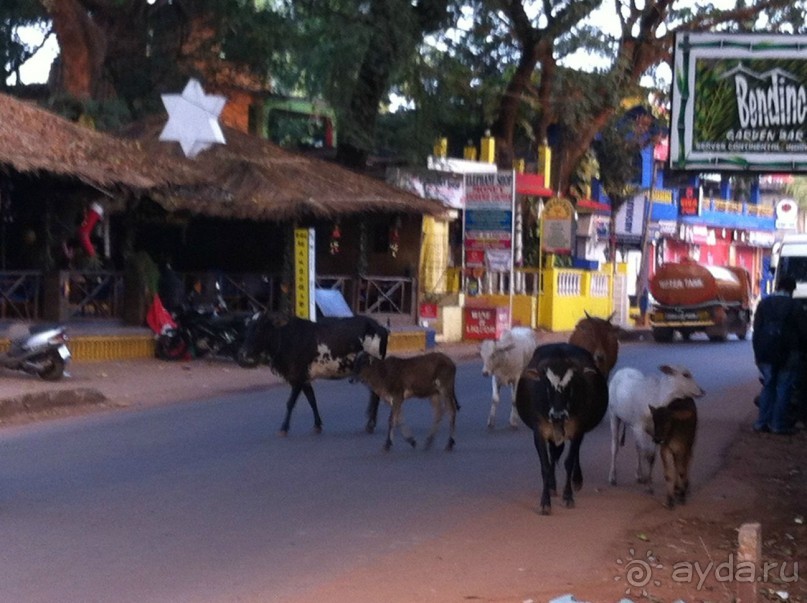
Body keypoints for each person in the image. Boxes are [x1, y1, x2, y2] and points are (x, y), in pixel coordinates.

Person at [752, 275, 805, 434]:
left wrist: (758, 355)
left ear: (777, 287)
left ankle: (761, 423)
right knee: (783, 388)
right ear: (791, 289)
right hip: (789, 354)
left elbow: (757, 330)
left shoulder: (764, 304)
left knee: (768, 386)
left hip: (765, 353)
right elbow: (803, 332)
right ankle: (777, 425)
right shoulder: (795, 306)